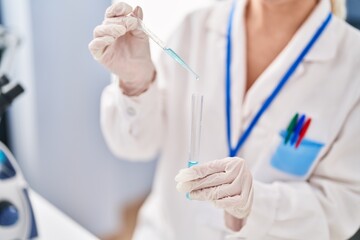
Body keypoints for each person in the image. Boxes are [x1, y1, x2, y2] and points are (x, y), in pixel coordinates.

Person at [89, 0, 360, 239]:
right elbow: (135, 146)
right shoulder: (194, 28)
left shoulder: (352, 66)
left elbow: (342, 208)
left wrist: (259, 203)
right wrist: (136, 84)